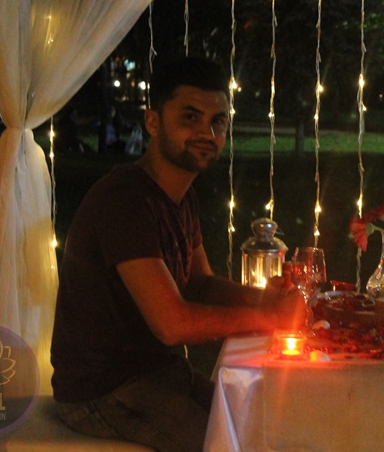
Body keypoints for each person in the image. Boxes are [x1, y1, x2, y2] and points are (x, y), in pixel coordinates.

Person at [51, 57, 305, 452]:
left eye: (218, 122)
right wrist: (269, 318)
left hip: (157, 372)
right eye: (190, 118)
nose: (207, 133)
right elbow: (172, 324)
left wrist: (266, 299)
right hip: (103, 389)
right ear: (152, 122)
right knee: (238, 444)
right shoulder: (125, 200)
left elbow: (198, 284)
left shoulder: (181, 196)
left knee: (269, 422)